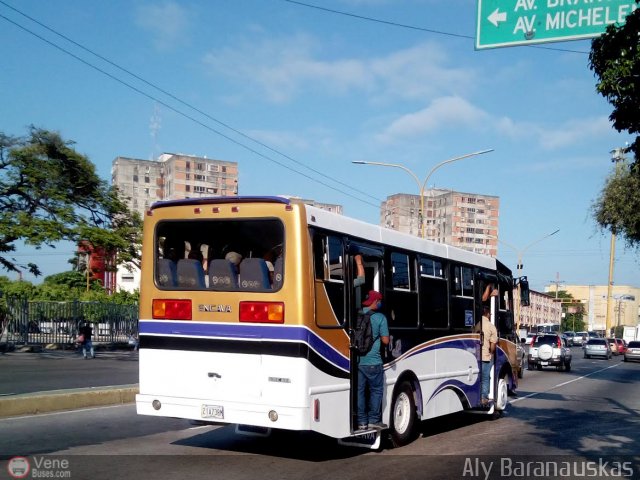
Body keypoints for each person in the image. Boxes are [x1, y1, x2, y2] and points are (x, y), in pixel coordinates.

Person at [357, 289, 390, 431]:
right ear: (375, 301)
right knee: (376, 391)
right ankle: (374, 420)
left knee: (360, 391)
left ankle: (361, 422)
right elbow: (386, 341)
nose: (381, 303)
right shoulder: (380, 318)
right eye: (380, 300)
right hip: (374, 362)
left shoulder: (357, 314)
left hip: (359, 361)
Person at [475, 305, 497, 406]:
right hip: (485, 356)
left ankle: (477, 395)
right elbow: (493, 345)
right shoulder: (491, 326)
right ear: (488, 314)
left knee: (478, 377)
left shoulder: (477, 324)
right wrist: (491, 353)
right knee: (485, 377)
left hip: (476, 356)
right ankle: (484, 397)